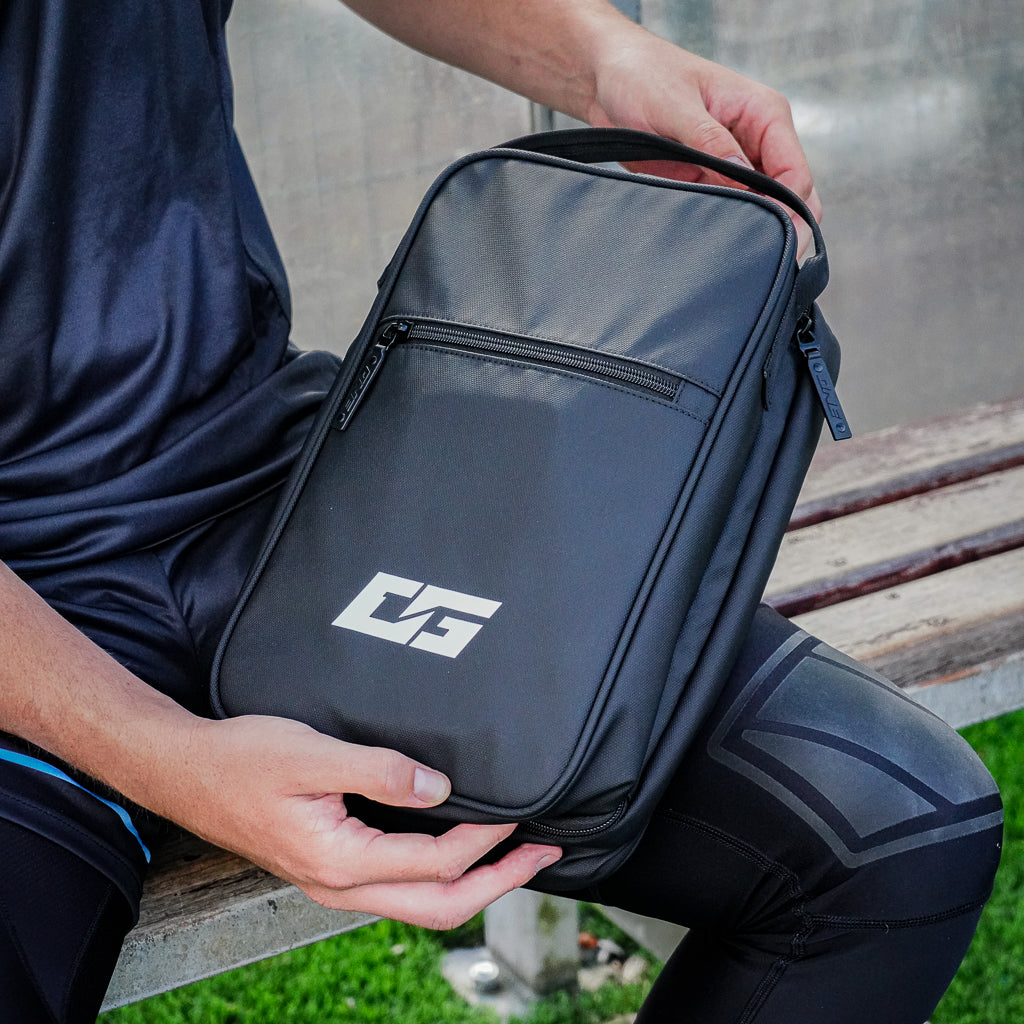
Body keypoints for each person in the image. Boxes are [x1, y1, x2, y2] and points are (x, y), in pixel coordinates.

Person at [0, 1, 1001, 1021]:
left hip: (275, 495)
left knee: (896, 828)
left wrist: (604, 57)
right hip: (22, 637)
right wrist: (165, 758)